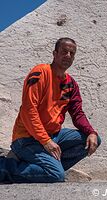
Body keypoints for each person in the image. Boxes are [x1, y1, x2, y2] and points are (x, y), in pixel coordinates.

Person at [0, 37, 101, 183]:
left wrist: (91, 132)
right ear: (55, 53)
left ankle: (46, 167)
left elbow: (77, 113)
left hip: (54, 136)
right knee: (56, 176)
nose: (68, 56)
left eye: (72, 53)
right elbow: (29, 110)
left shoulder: (71, 84)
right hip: (27, 138)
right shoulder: (40, 73)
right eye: (64, 51)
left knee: (93, 140)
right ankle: (5, 167)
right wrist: (45, 141)